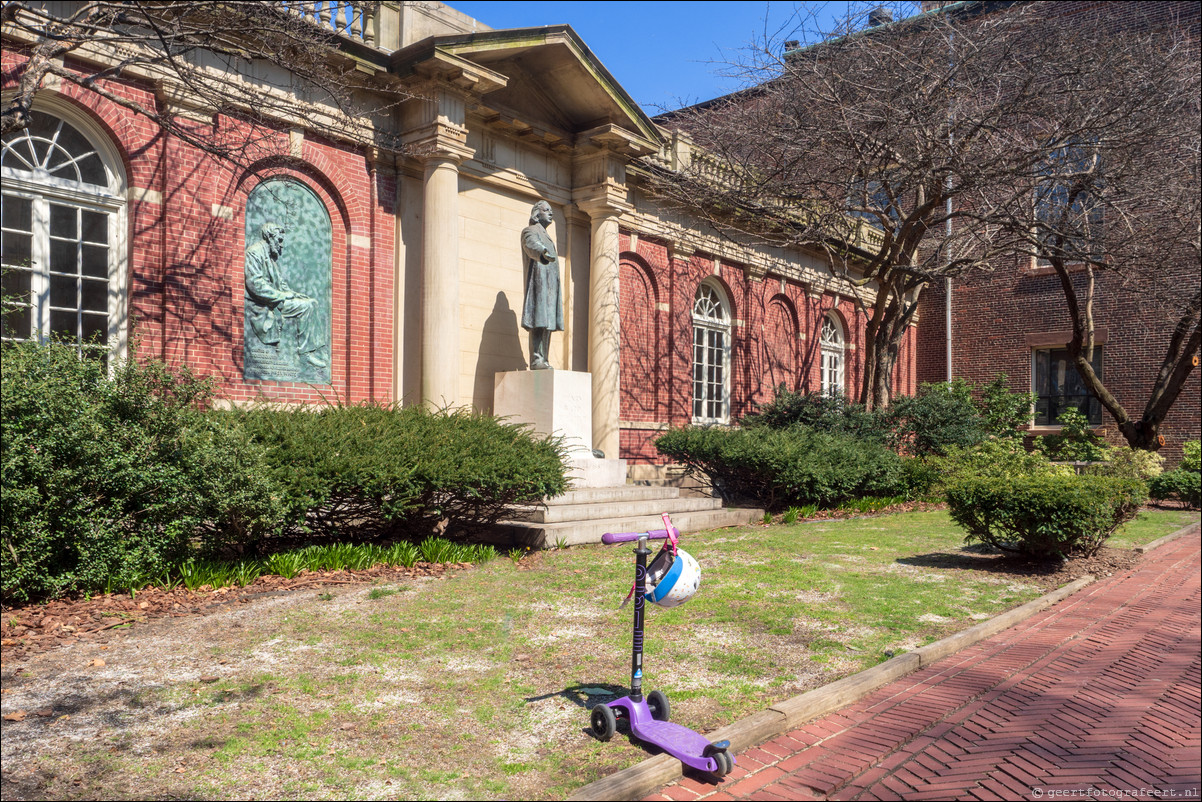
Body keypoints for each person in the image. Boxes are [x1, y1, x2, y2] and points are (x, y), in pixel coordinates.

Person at [244, 221, 327, 368]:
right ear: (270, 237)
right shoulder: (254, 252)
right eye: (279, 240)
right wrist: (282, 296)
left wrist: (293, 294)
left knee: (311, 302)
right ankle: (306, 353)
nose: (281, 245)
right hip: (262, 305)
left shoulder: (270, 257)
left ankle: (316, 349)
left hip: (275, 300)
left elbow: (280, 283)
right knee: (307, 307)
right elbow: (255, 285)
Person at [520, 200, 563, 370]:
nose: (551, 213)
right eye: (547, 210)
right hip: (539, 285)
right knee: (539, 321)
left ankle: (544, 358)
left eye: (551, 210)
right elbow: (530, 244)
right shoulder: (530, 231)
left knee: (548, 323)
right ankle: (537, 359)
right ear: (537, 214)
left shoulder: (547, 235)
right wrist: (542, 252)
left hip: (550, 286)